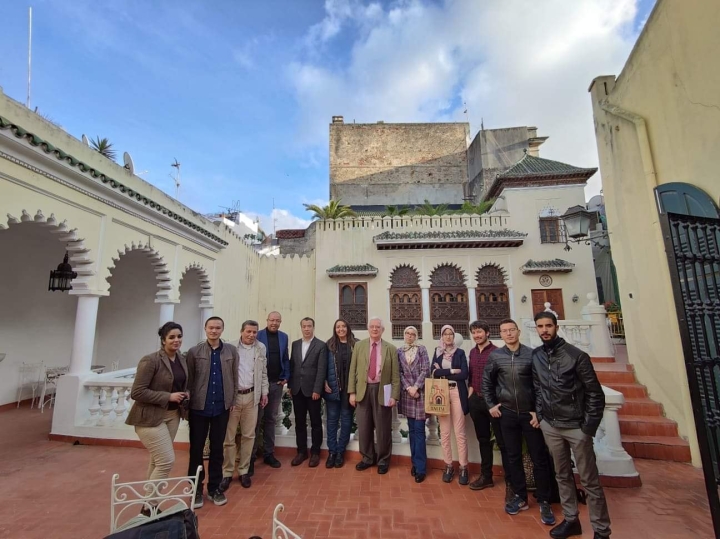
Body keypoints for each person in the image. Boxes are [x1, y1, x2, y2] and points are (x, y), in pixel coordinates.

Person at [533, 312, 611, 539]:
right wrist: (542, 415)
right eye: (540, 326)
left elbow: (595, 394)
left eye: (548, 325)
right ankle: (571, 520)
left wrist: (587, 428)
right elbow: (538, 389)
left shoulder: (577, 356)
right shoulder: (537, 356)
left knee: (590, 481)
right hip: (551, 426)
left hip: (576, 427)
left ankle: (601, 530)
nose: (544, 330)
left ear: (556, 327)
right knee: (562, 475)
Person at [482, 318, 556, 525]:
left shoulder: (532, 355)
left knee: (538, 457)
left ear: (518, 331)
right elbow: (487, 383)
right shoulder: (496, 357)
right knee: (512, 457)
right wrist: (491, 405)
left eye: (511, 330)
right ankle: (520, 496)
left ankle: (544, 500)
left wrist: (537, 412)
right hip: (506, 414)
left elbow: (542, 386)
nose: (508, 334)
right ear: (500, 334)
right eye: (504, 331)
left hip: (529, 415)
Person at [126, 321, 189, 516]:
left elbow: (179, 382)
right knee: (166, 461)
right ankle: (148, 506)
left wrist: (185, 393)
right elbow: (137, 392)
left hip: (172, 415)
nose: (176, 340)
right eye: (171, 337)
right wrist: (167, 396)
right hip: (150, 418)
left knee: (156, 461)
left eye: (179, 336)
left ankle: (150, 505)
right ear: (163, 340)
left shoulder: (181, 359)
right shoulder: (150, 360)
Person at [186, 316, 239, 508]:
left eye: (217, 328)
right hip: (199, 408)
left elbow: (234, 376)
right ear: (205, 329)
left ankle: (215, 488)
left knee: (218, 450)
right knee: (196, 450)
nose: (214, 331)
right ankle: (196, 489)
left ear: (222, 330)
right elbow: (189, 379)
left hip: (221, 408)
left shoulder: (231, 351)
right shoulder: (194, 352)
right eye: (211, 328)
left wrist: (232, 400)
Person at [219, 320, 269, 492]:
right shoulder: (230, 347)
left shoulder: (260, 347)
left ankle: (244, 471)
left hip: (251, 397)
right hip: (233, 399)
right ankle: (227, 472)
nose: (251, 335)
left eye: (254, 332)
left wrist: (264, 392)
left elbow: (263, 373)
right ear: (241, 331)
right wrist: (227, 398)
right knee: (229, 437)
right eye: (248, 331)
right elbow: (224, 374)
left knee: (249, 436)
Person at [348, 317, 400, 474]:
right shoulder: (359, 346)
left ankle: (383, 460)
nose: (375, 329)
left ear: (382, 330)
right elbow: (353, 370)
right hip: (363, 390)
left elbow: (395, 375)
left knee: (383, 428)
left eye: (378, 327)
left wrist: (394, 396)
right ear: (368, 328)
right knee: (364, 427)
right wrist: (352, 392)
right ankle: (367, 458)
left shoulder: (390, 348)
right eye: (372, 326)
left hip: (383, 391)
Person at [467, 320, 512, 498]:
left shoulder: (497, 352)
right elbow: (471, 377)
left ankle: (511, 481)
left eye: (479, 332)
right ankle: (487, 476)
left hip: (494, 404)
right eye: (474, 333)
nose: (477, 335)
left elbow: (503, 379)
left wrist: (497, 401)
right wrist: (470, 396)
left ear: (487, 333)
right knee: (483, 440)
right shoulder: (472, 352)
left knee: (503, 442)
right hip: (476, 401)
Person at [431, 325, 470, 485]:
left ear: (454, 336)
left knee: (459, 432)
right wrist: (453, 371)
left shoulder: (460, 353)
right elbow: (433, 372)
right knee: (445, 432)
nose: (448, 337)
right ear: (442, 336)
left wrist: (445, 371)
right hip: (441, 393)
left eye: (450, 334)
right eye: (445, 334)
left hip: (456, 392)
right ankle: (448, 465)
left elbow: (465, 374)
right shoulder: (437, 352)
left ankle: (463, 467)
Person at [253, 311, 290, 473]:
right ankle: (251, 456)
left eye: (277, 320)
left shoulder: (283, 337)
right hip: (258, 385)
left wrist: (286, 377)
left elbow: (285, 358)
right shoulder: (258, 335)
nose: (274, 323)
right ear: (267, 320)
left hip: (276, 384)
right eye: (272, 320)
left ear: (280, 322)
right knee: (255, 420)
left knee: (271, 419)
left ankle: (269, 454)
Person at [288, 317, 327, 467]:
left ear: (313, 327)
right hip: (297, 389)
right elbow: (293, 366)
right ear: (301, 327)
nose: (306, 329)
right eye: (304, 326)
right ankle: (301, 452)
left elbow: (321, 369)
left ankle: (315, 453)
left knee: (316, 422)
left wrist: (317, 389)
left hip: (313, 392)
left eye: (309, 326)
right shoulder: (295, 344)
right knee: (299, 422)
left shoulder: (320, 345)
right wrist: (291, 385)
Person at [323, 318, 357, 469]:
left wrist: (354, 391)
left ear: (348, 328)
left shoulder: (356, 344)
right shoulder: (329, 345)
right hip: (332, 389)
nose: (341, 329)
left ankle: (340, 452)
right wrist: (324, 381)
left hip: (349, 391)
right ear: (335, 329)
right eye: (338, 327)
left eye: (343, 326)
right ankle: (332, 452)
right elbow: (322, 366)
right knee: (331, 421)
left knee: (346, 421)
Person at [398, 326, 430, 483]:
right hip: (408, 396)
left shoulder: (421, 349)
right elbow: (399, 373)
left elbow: (426, 369)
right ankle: (414, 463)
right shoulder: (400, 351)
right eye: (407, 333)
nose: (410, 336)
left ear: (416, 336)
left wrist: (416, 387)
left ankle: (421, 468)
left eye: (413, 334)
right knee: (411, 430)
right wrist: (408, 388)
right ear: (404, 335)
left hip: (421, 394)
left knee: (419, 431)